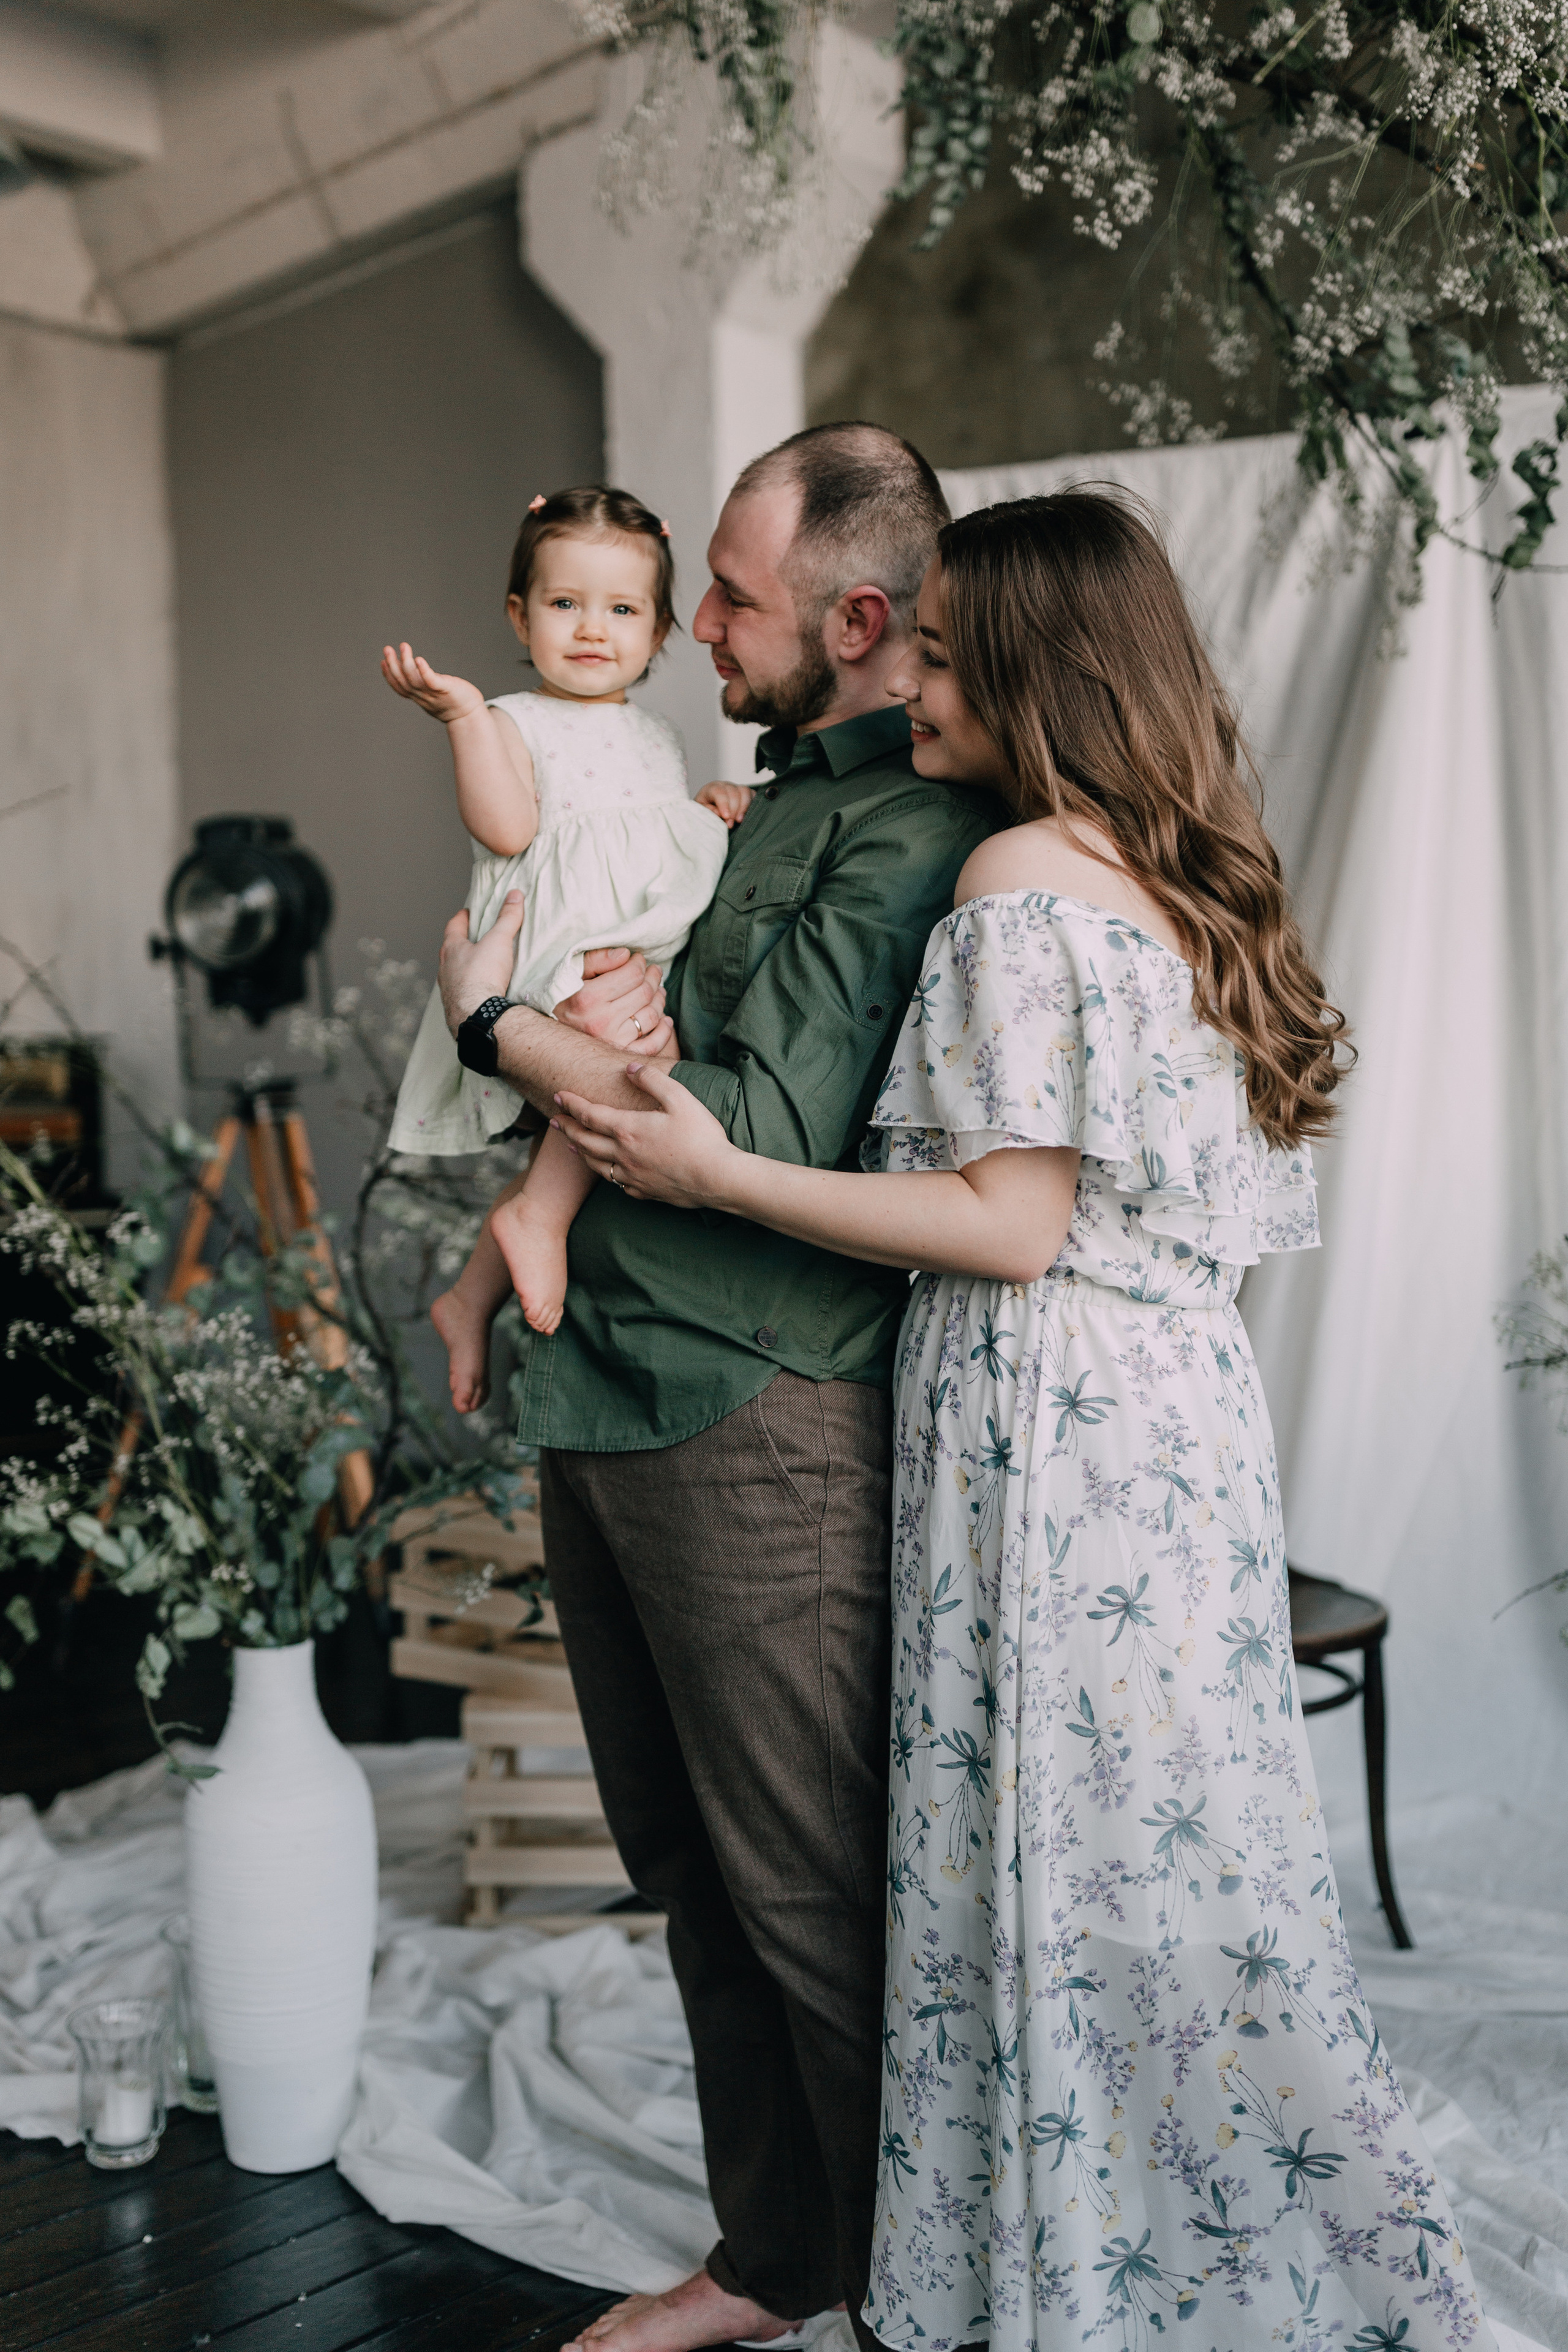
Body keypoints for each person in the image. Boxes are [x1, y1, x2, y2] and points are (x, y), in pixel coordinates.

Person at [552, 491, 1497, 2352]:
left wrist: (719, 1169)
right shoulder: (1172, 864)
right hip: (1180, 1429)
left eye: (953, 641)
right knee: (1173, 1853)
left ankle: (1051, 2265)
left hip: (1052, 1426)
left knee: (1053, 1867)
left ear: (1034, 665)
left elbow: (1011, 1223)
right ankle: (1155, 2223)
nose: (917, 666)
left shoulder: (1013, 886)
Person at [434, 424, 1003, 2352]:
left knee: (809, 1894)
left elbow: (738, 1128)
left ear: (857, 619)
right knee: (686, 1868)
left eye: (732, 602)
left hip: (750, 1416)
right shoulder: (750, 806)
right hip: (606, 1384)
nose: (693, 632)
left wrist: (490, 1025)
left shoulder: (909, 833)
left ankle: (914, 2295)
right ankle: (782, 2262)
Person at [382, 484, 747, 1398]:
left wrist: (708, 810)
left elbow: (649, 832)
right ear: (521, 613)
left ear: (660, 630)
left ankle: (470, 1296)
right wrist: (466, 719)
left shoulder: (658, 733)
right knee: (628, 1076)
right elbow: (508, 830)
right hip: (563, 951)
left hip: (636, 948)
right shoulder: (515, 719)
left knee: (603, 1112)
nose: (593, 629)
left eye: (621, 609)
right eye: (564, 604)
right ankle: (534, 1226)